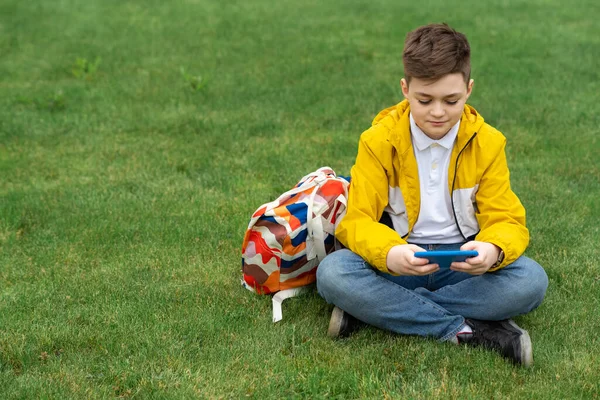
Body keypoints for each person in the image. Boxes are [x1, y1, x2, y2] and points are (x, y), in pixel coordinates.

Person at [316, 23, 548, 367]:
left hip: (463, 266)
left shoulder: (488, 143)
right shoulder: (378, 141)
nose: (438, 112)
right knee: (333, 273)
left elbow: (506, 219)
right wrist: (390, 252)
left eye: (451, 100)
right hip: (399, 263)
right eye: (425, 100)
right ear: (406, 89)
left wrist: (492, 249)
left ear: (468, 90)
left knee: (530, 280)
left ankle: (374, 312)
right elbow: (358, 220)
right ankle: (466, 330)